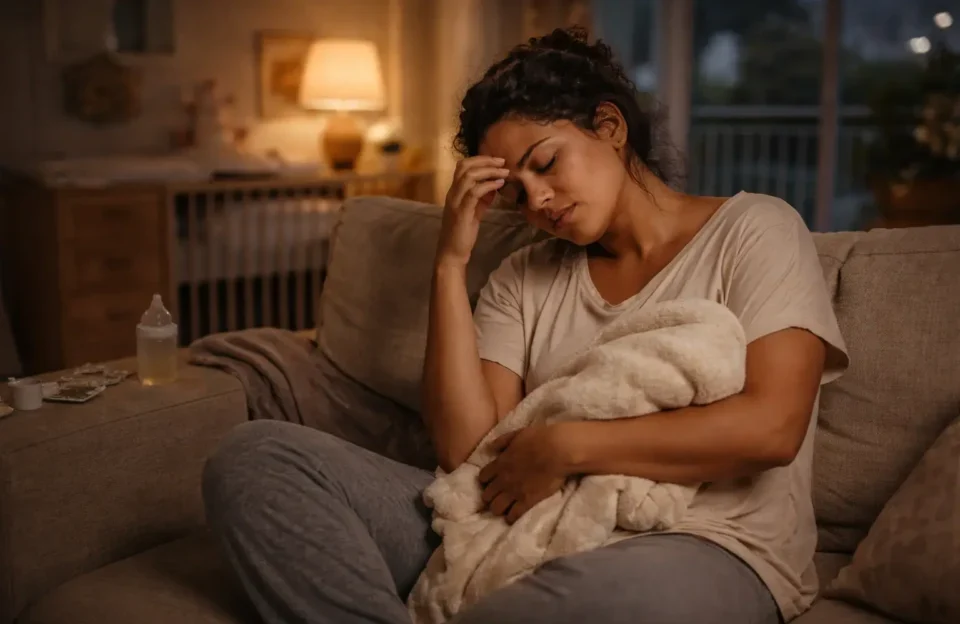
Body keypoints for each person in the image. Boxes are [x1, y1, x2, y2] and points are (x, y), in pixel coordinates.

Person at [202, 27, 848, 624]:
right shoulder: (523, 275)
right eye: (514, 190)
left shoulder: (754, 229)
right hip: (511, 522)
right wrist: (450, 266)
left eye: (546, 163)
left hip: (706, 543)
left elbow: (771, 428)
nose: (535, 200)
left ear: (610, 126)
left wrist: (563, 447)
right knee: (255, 457)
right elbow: (466, 451)